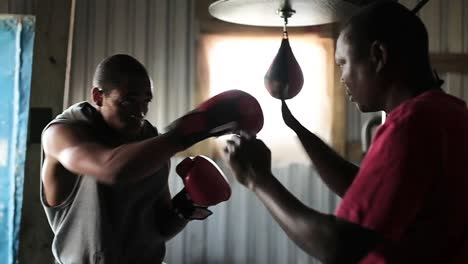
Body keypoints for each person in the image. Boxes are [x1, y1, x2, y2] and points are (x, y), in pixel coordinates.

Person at [224, 2, 468, 263]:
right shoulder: (449, 111)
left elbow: (337, 245)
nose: (342, 77)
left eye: (344, 63)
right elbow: (366, 189)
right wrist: (299, 130)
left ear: (378, 55)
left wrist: (258, 180)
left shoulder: (409, 125)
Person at [40, 54, 248, 264]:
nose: (140, 112)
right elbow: (111, 169)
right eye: (128, 101)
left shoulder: (150, 143)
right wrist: (189, 131)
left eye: (146, 101)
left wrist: (186, 205)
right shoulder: (63, 134)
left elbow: (158, 230)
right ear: (98, 96)